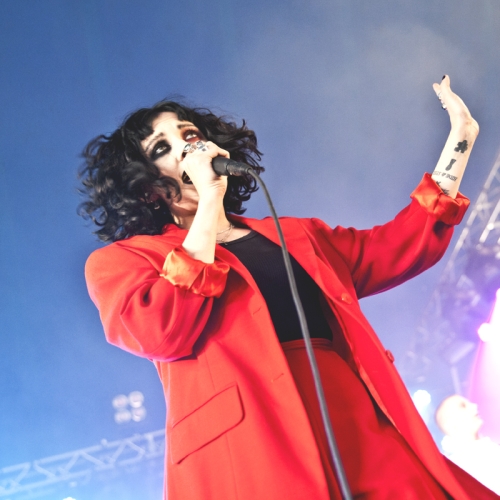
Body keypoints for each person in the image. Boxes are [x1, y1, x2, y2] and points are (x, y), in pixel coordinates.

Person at [80, 76, 493, 499]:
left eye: (189, 134)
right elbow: (159, 330)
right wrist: (207, 202)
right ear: (148, 189)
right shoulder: (124, 261)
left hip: (352, 422)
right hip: (250, 447)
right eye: (161, 148)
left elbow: (401, 243)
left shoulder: (296, 236)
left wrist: (460, 139)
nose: (187, 147)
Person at [436, 395, 500, 494]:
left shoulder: (491, 448)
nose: (474, 406)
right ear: (450, 424)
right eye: (463, 406)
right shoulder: (458, 470)